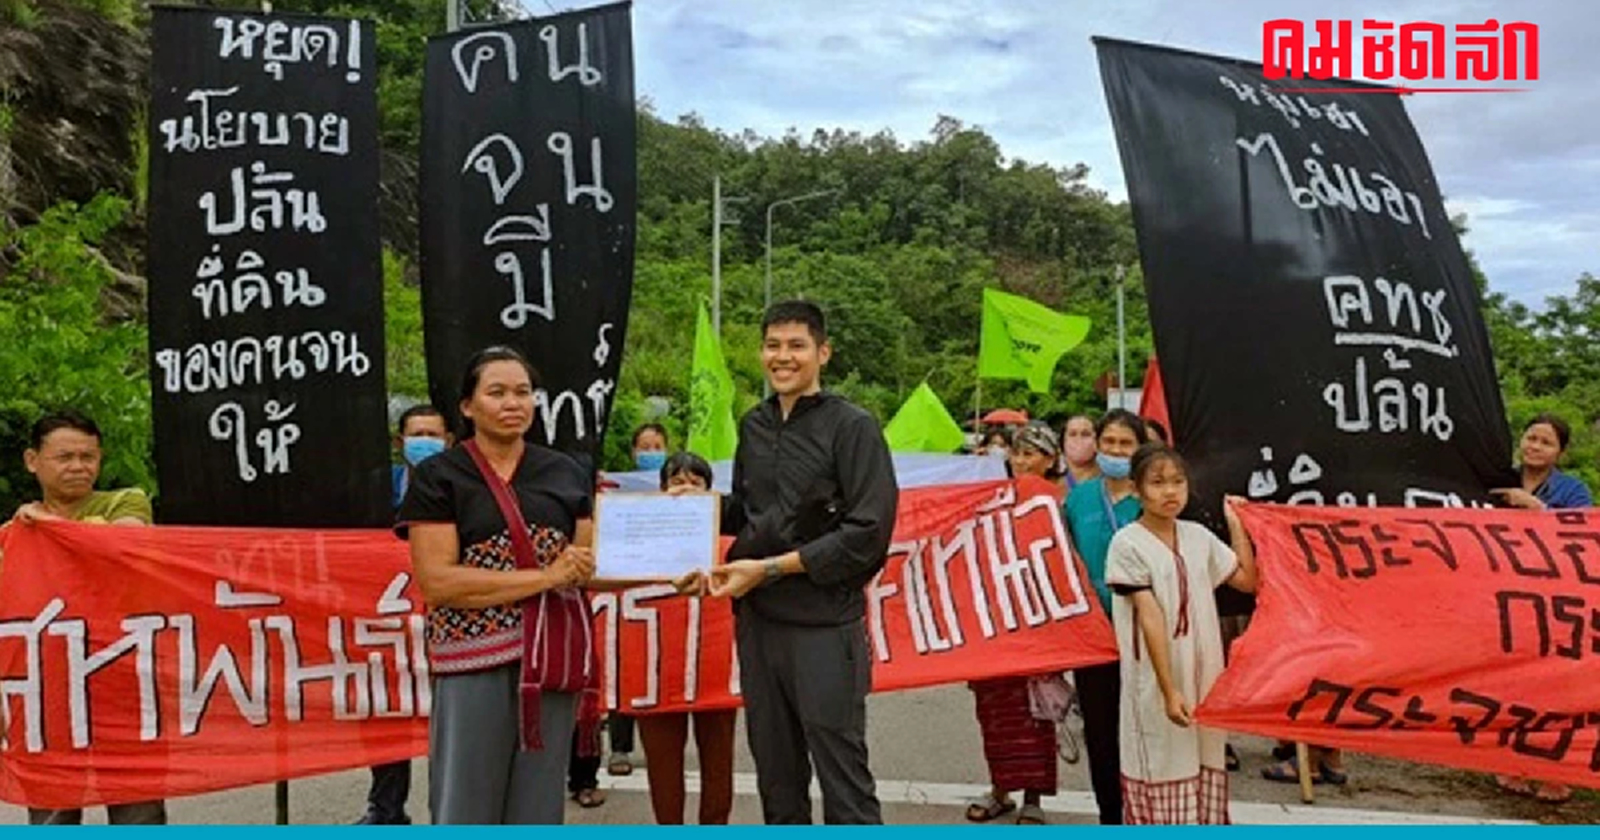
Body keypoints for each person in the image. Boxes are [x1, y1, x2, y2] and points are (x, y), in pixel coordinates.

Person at [694, 300, 898, 825]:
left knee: (844, 780)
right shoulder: (754, 425)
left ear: (822, 353)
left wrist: (771, 568)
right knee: (777, 781)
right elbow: (748, 514)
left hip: (824, 625)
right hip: (759, 624)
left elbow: (868, 532)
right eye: (772, 345)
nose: (782, 357)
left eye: (796, 346)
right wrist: (685, 513)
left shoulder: (853, 427)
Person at [399, 346, 600, 825]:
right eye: (497, 392)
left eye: (524, 392)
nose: (514, 403)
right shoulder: (440, 477)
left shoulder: (566, 471)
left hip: (550, 657)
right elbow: (439, 581)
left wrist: (672, 571)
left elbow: (585, 565)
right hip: (473, 661)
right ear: (467, 407)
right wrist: (545, 578)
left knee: (539, 804)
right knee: (465, 800)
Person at [12, 411, 167, 825]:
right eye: (65, 457)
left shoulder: (126, 500)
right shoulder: (14, 536)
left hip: (127, 687)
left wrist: (48, 526)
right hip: (50, 697)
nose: (79, 467)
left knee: (140, 814)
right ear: (32, 460)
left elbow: (126, 545)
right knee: (52, 818)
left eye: (88, 456)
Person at [1105, 445, 1258, 824]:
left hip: (1205, 679)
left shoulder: (1198, 537)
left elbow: (1248, 581)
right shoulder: (1127, 543)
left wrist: (1237, 525)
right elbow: (1150, 617)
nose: (1170, 491)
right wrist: (1169, 688)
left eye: (1177, 481)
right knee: (1159, 765)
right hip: (1157, 681)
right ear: (1137, 490)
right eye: (1157, 483)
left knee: (1205, 763)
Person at [629, 451, 741, 824]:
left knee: (719, 763)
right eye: (676, 482)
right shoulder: (634, 543)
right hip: (654, 672)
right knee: (662, 767)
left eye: (696, 483)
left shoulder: (733, 546)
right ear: (661, 490)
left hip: (715, 668)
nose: (686, 490)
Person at [355, 405, 454, 825]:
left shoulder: (462, 486)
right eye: (417, 434)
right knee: (386, 709)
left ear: (449, 441)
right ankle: (386, 808)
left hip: (446, 618)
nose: (425, 441)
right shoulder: (377, 490)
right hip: (388, 619)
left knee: (447, 719)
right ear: (400, 443)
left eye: (433, 433)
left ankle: (448, 810)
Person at [1487, 412, 1592, 803]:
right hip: (1504, 597)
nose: (1535, 446)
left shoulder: (1573, 490)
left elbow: (1583, 537)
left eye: (1546, 442)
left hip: (1555, 602)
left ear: (1560, 452)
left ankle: (1554, 773)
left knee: (1556, 685)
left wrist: (1538, 511)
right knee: (1512, 682)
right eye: (1531, 438)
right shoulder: (1497, 479)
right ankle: (1513, 763)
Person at [965, 422, 1065, 825]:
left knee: (1036, 714)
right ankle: (999, 790)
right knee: (994, 713)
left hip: (1040, 623)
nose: (1022, 461)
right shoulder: (991, 499)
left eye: (1032, 453)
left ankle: (1034, 799)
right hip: (995, 622)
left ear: (1051, 459)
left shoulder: (1062, 502)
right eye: (1017, 453)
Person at [1061, 408, 1147, 825]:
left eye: (1125, 444)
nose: (1115, 451)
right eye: (1108, 442)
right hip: (1093, 640)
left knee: (1144, 733)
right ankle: (1109, 817)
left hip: (1146, 638)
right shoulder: (1077, 499)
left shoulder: (1153, 499)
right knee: (1101, 736)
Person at [1061, 414, 1100, 491]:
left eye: (1085, 434)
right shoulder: (1054, 484)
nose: (1078, 439)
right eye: (1072, 434)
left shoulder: (1107, 484)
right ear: (1063, 441)